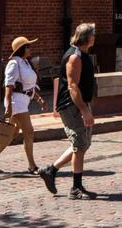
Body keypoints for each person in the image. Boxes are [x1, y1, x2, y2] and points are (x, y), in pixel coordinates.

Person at [38, 23, 98, 200]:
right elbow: (73, 87)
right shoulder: (75, 57)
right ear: (87, 38)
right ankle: (76, 188)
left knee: (82, 144)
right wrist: (84, 110)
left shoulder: (82, 54)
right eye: (93, 34)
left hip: (81, 104)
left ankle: (50, 171)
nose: (95, 37)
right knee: (80, 144)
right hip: (71, 106)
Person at [0, 36, 45, 174]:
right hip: (16, 102)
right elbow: (8, 86)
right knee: (29, 132)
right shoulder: (14, 63)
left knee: (12, 133)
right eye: (28, 46)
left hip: (24, 100)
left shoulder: (26, 63)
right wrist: (9, 107)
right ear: (22, 49)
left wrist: (38, 98)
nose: (30, 48)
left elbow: (29, 85)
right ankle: (32, 166)